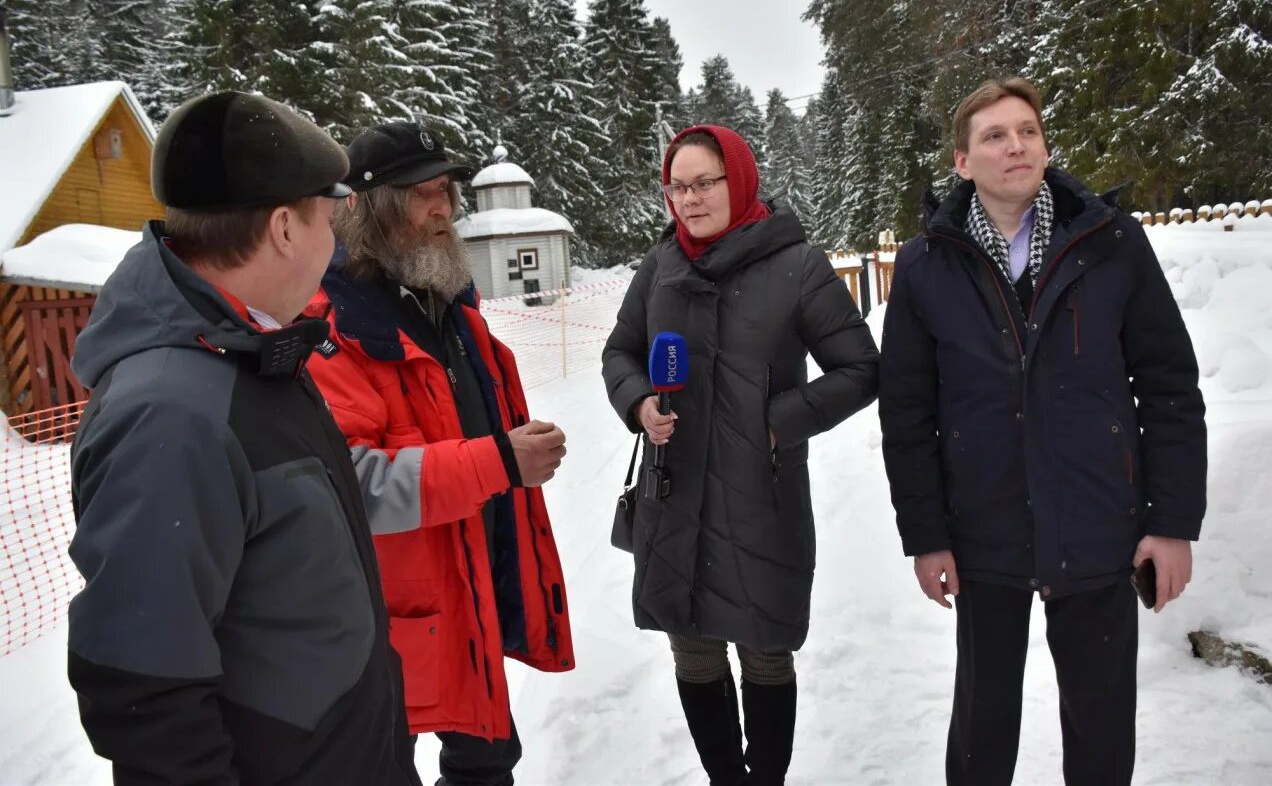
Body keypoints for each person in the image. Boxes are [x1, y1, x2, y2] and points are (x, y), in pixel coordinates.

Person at [67, 91, 421, 784]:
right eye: (330, 218)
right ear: (286, 227)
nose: (336, 242)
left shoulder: (255, 353)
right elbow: (146, 698)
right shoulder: (172, 413)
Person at [878, 77, 1207, 786]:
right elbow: (907, 414)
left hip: (1097, 522)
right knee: (982, 728)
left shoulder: (1110, 243)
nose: (1015, 145)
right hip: (982, 528)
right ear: (962, 162)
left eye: (1027, 130)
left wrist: (1173, 521)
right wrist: (927, 534)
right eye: (994, 135)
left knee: (1100, 726)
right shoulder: (926, 263)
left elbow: (1169, 388)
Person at [601, 124, 880, 786]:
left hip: (762, 493)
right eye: (677, 186)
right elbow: (620, 350)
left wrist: (778, 422)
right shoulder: (659, 266)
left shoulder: (798, 266)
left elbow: (861, 369)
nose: (690, 199)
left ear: (740, 179)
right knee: (693, 648)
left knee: (764, 651)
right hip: (674, 490)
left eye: (704, 183)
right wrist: (638, 401)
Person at [302, 121, 574, 786]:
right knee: (385, 765)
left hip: (465, 586)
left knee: (485, 760)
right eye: (422, 194)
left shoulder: (449, 306)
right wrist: (500, 463)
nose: (443, 210)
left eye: (447, 192)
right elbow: (353, 485)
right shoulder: (330, 324)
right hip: (385, 619)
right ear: (365, 207)